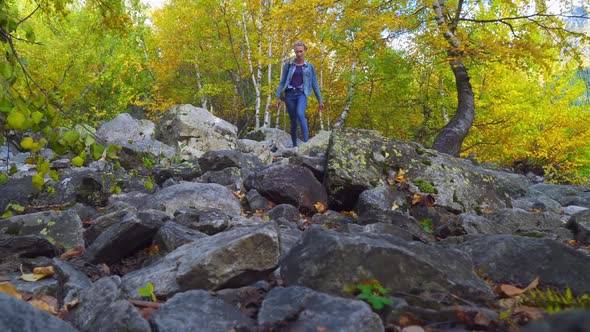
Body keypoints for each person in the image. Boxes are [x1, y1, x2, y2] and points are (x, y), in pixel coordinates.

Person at [276, 41, 325, 148]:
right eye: (297, 51)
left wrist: (320, 100)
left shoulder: (309, 67)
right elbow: (282, 82)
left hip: (301, 94)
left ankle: (306, 144)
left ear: (305, 51)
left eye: (301, 51)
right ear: (294, 51)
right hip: (289, 95)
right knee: (293, 120)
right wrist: (278, 97)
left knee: (300, 114)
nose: (299, 54)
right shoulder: (288, 65)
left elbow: (314, 84)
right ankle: (295, 146)